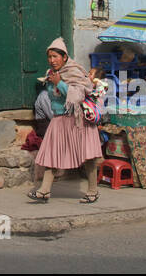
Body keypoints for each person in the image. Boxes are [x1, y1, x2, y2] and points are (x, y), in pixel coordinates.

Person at [27, 38, 104, 203]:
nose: (52, 60)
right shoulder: (52, 73)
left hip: (77, 119)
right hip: (59, 119)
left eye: (55, 56)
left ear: (64, 57)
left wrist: (60, 83)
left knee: (88, 156)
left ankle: (92, 191)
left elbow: (78, 95)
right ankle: (44, 190)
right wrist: (51, 82)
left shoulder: (74, 71)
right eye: (49, 57)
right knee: (52, 154)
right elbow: (53, 96)